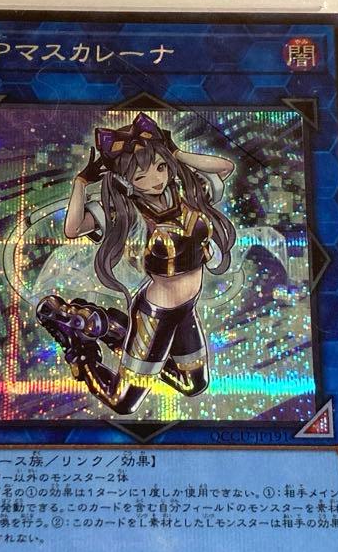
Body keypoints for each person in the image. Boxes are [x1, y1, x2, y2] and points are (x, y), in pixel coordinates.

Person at [36, 112, 236, 415]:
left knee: (194, 384)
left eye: (160, 167)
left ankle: (109, 327)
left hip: (186, 308)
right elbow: (73, 228)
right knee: (123, 402)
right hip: (155, 314)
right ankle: (79, 343)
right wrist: (80, 182)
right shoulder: (125, 213)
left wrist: (176, 152)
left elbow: (225, 167)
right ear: (125, 180)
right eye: (141, 176)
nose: (156, 180)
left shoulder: (188, 191)